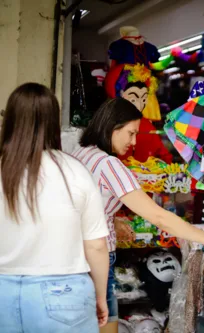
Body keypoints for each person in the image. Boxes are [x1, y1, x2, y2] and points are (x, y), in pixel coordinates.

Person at [73, 98, 204, 333]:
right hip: (96, 262)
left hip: (78, 259)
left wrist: (109, 217)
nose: (134, 141)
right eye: (130, 133)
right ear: (112, 127)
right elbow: (158, 217)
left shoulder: (83, 153)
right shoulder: (110, 166)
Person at [0, 83, 110, 332]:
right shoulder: (74, 171)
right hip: (63, 295)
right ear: (53, 121)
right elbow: (96, 245)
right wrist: (100, 296)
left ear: (10, 120)